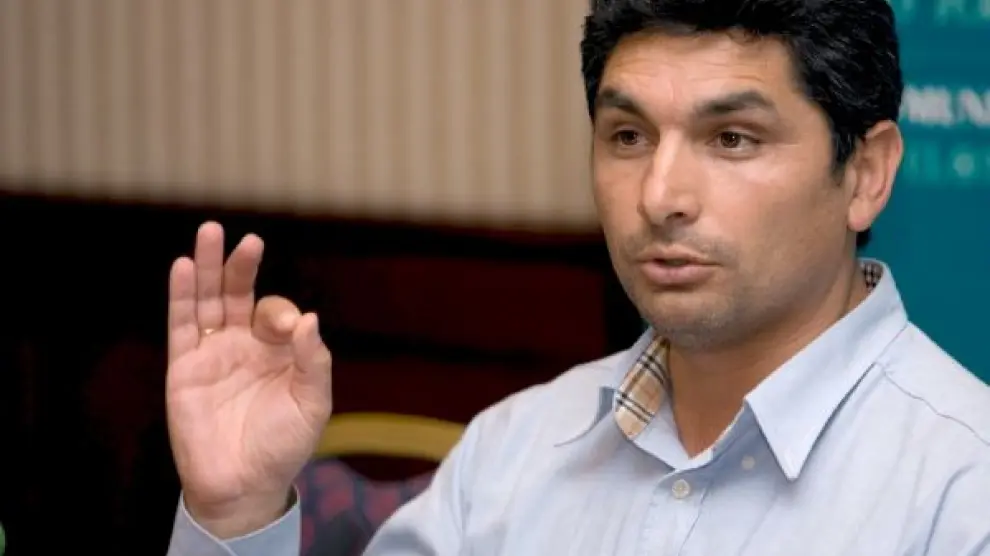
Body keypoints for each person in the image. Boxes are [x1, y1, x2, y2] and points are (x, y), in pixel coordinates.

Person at [165, 0, 990, 554]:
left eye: (732, 139)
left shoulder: (964, 492)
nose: (660, 196)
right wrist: (236, 518)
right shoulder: (511, 452)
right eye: (628, 136)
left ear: (865, 173)